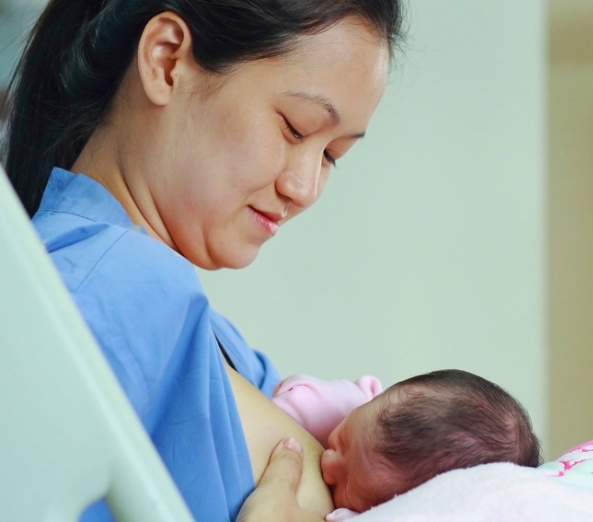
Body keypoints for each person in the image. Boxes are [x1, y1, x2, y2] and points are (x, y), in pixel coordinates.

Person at [2, 1, 404, 521]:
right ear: (166, 61)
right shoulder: (112, 285)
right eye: (296, 129)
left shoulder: (215, 338)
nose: (305, 188)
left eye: (331, 156)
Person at [271, 369, 543, 519]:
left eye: (349, 486)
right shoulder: (352, 405)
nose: (328, 464)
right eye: (343, 440)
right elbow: (293, 391)